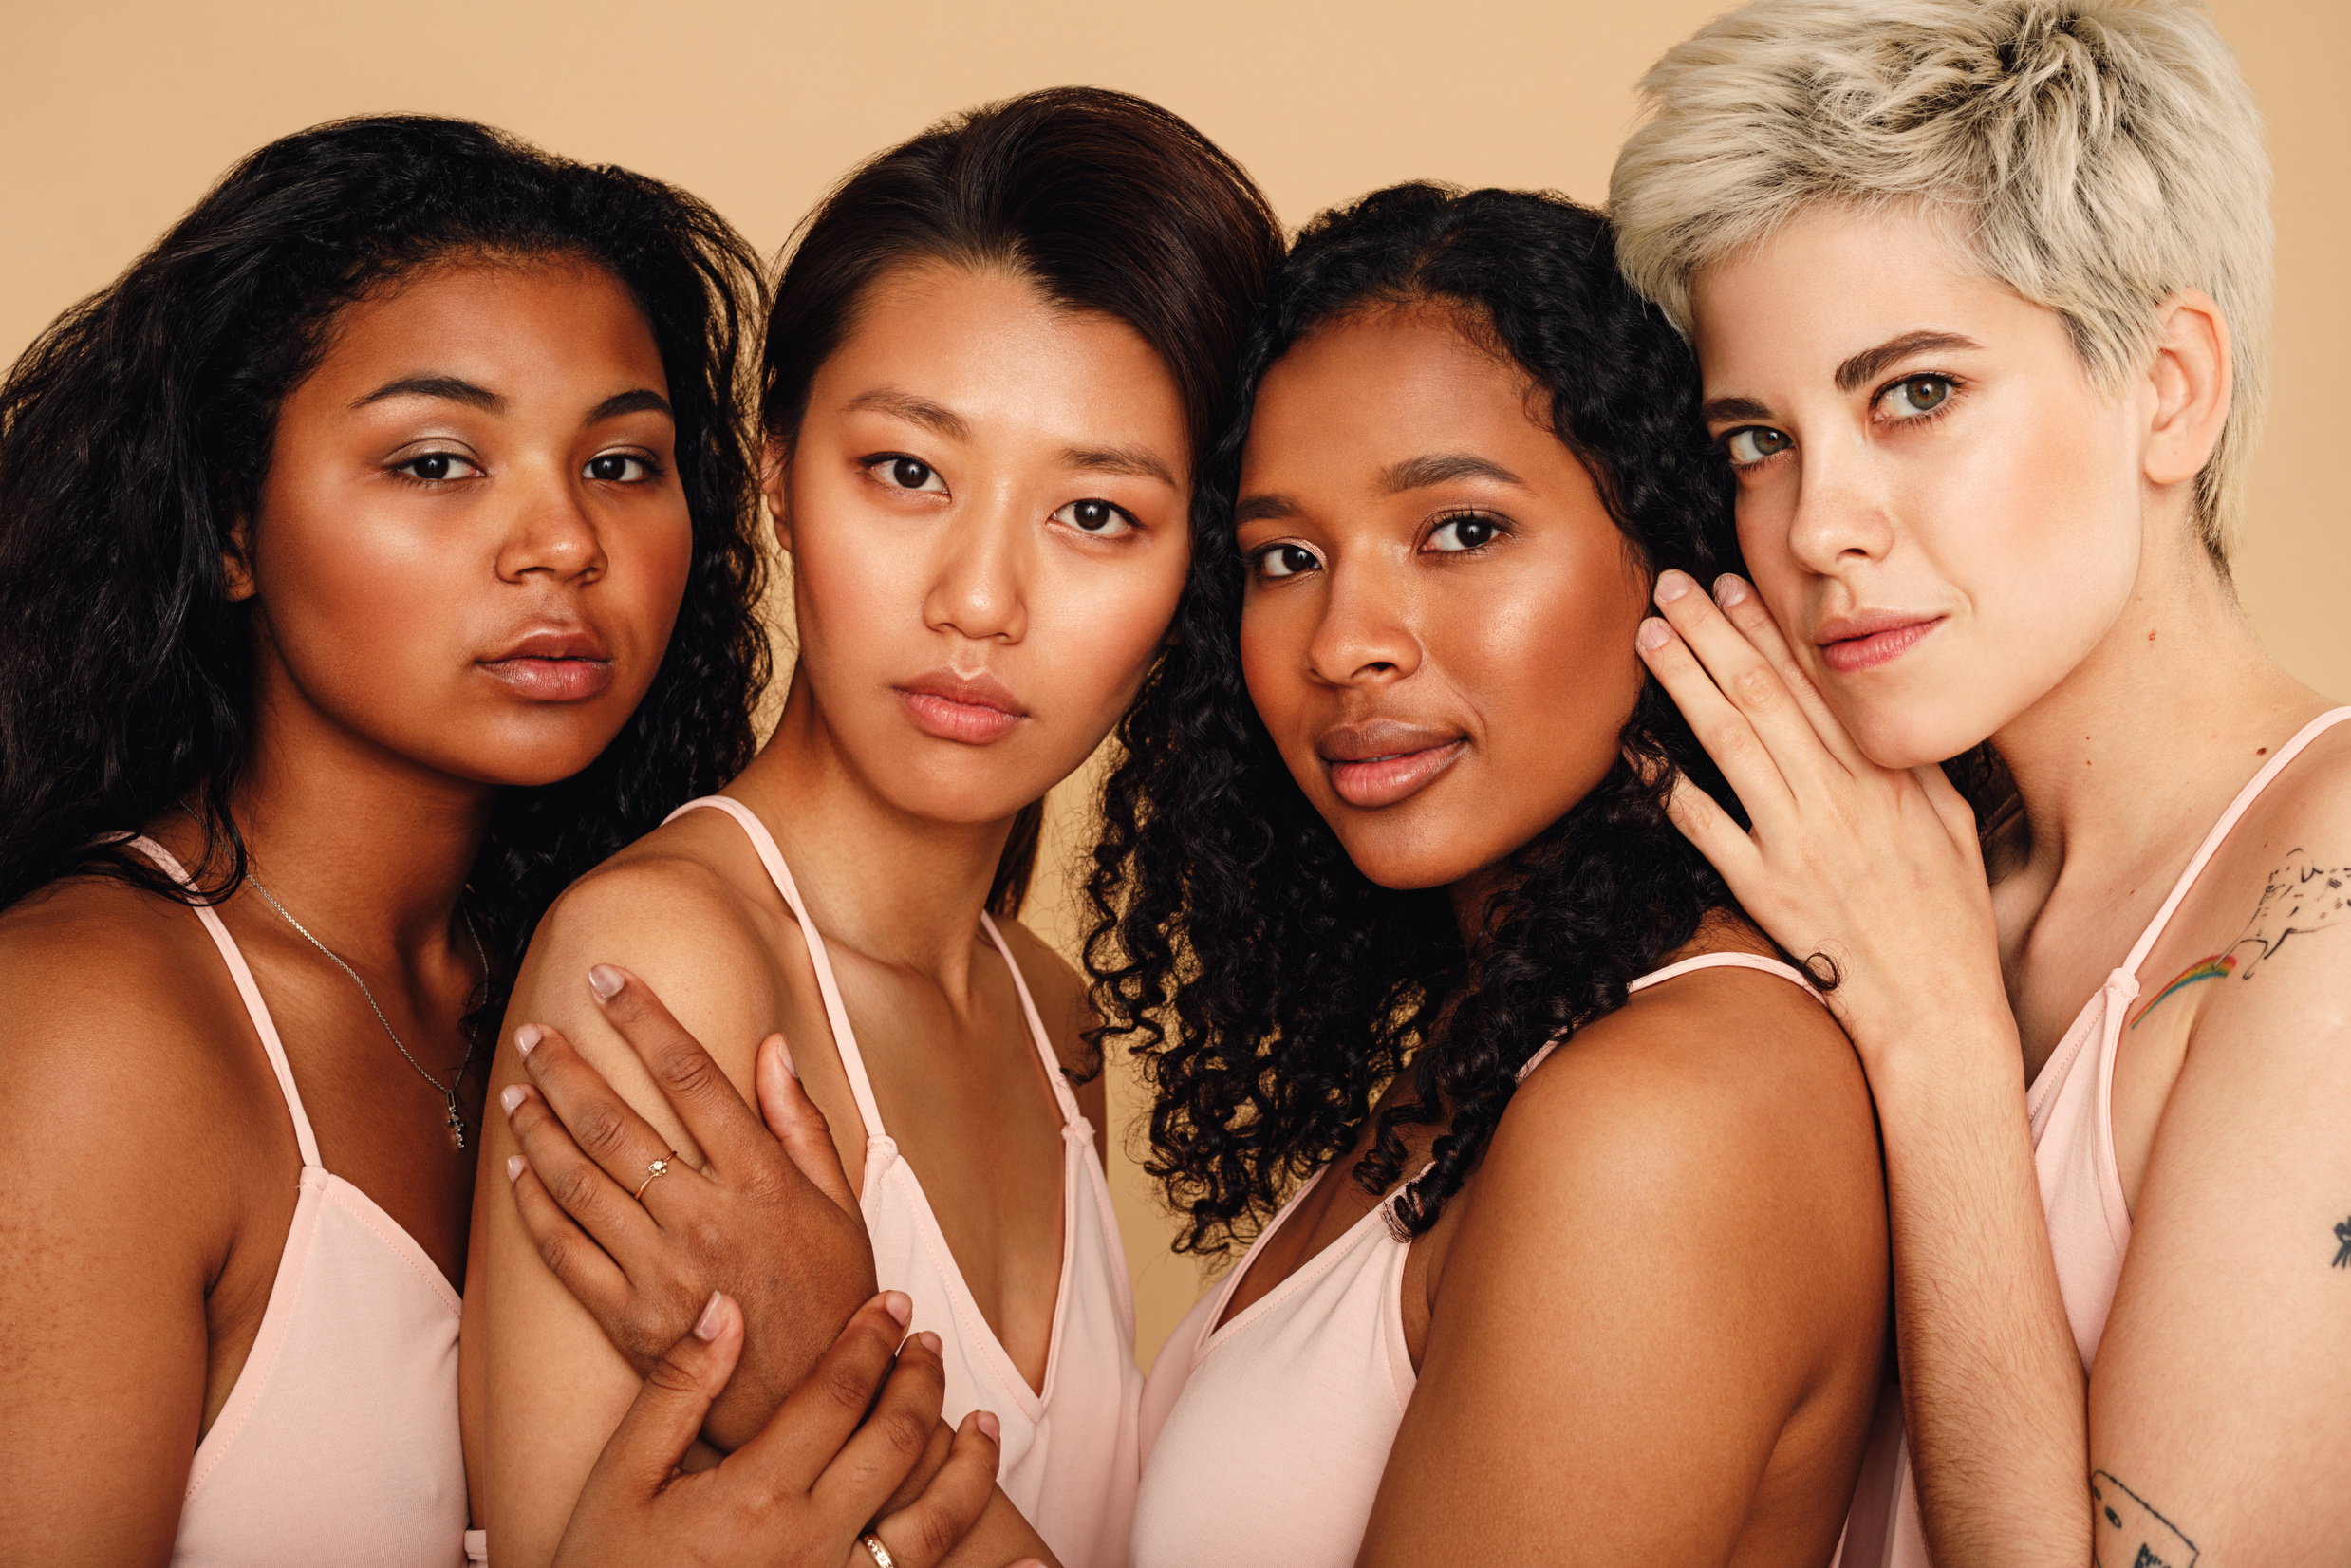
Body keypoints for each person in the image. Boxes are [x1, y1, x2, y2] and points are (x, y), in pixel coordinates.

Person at [0, 113, 995, 1568]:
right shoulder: (89, 1028)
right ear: (229, 522)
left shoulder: (580, 972)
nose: (565, 543)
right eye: (435, 462)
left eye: (623, 463)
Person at [468, 87, 1283, 1568]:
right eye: (908, 473)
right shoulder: (662, 965)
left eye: (1095, 513)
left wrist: (827, 1365)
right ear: (775, 469)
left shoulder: (1052, 1016)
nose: (978, 600)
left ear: (1196, 572)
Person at [1610, 2, 2351, 1563]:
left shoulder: (2328, 888)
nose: (1816, 525)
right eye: (1756, 439)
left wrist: (1939, 1039)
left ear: (2167, 388)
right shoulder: (1874, 866)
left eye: (1914, 394)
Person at [1088, 183, 1891, 1567]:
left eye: (1460, 531)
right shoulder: (1515, 1031)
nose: (1343, 641)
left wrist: (871, 1474)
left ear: (1672, 547)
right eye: (1286, 557)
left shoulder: (1669, 1114)